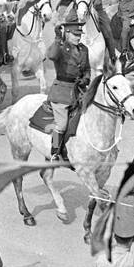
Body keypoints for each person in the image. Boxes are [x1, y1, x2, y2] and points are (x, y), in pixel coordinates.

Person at [44, 18, 91, 161]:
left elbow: (87, 68)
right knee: (62, 125)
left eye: (80, 35)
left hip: (79, 91)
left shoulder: (83, 49)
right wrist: (58, 38)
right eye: (75, 35)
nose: (78, 37)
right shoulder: (61, 47)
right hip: (62, 92)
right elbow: (51, 55)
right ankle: (55, 152)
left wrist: (86, 78)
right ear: (67, 34)